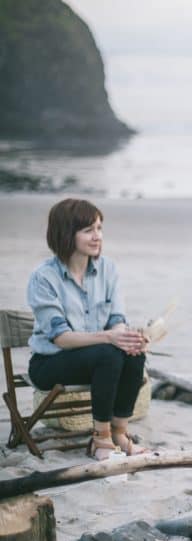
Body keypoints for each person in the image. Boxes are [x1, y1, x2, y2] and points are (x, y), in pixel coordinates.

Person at [27, 197, 148, 460]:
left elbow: (117, 318)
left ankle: (119, 432)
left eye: (99, 228)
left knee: (133, 351)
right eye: (88, 230)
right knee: (108, 353)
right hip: (50, 363)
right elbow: (61, 338)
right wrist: (109, 337)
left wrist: (126, 337)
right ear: (66, 234)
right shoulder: (44, 277)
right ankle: (100, 439)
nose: (97, 237)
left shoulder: (108, 269)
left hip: (96, 358)